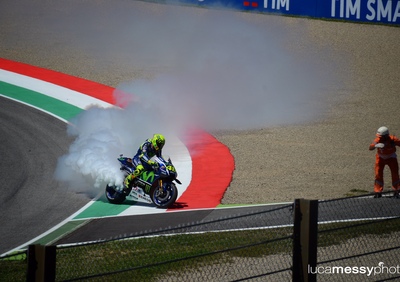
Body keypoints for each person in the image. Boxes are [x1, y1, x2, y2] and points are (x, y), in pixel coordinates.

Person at [369, 126, 400, 198]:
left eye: (382, 136)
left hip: (391, 157)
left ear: (386, 136)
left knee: (395, 174)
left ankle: (396, 190)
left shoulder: (393, 139)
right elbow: (370, 147)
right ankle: (378, 191)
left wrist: (394, 144)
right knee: (378, 173)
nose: (380, 138)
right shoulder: (377, 139)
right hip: (380, 158)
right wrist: (376, 145)